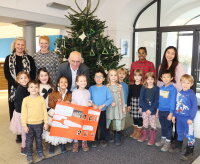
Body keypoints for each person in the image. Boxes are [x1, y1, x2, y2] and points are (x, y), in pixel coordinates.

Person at [4, 37, 36, 143]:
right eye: (18, 44)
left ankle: (27, 129)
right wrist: (18, 85)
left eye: (22, 45)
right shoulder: (9, 58)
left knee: (27, 109)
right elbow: (7, 75)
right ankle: (18, 133)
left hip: (27, 89)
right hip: (14, 89)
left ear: (25, 46)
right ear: (14, 45)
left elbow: (33, 73)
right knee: (15, 109)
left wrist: (26, 85)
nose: (20, 47)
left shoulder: (30, 59)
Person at [157, 46, 185, 141]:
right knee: (168, 120)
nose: (170, 55)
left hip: (176, 95)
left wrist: (171, 90)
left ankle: (177, 139)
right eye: (168, 52)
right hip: (165, 97)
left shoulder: (178, 65)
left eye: (172, 53)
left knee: (176, 118)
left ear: (175, 55)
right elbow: (160, 82)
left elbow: (181, 82)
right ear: (165, 53)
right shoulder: (161, 66)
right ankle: (169, 137)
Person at [169, 74, 197, 161]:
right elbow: (177, 105)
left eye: (188, 83)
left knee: (189, 134)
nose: (185, 84)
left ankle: (190, 149)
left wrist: (191, 118)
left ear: (191, 84)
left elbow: (194, 107)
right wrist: (174, 115)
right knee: (179, 131)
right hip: (179, 118)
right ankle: (179, 144)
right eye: (184, 82)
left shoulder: (191, 94)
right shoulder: (179, 93)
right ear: (181, 82)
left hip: (188, 119)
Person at [43, 76, 72, 154]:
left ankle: (63, 144)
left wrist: (69, 103)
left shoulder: (69, 94)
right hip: (54, 114)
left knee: (62, 129)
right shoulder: (53, 93)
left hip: (64, 115)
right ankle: (52, 145)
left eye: (65, 82)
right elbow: (49, 104)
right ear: (58, 84)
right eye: (61, 82)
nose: (63, 83)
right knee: (52, 129)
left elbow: (72, 106)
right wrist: (56, 102)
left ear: (68, 84)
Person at [21, 80, 48, 163]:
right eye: (31, 87)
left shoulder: (41, 99)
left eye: (36, 87)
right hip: (29, 125)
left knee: (39, 139)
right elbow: (23, 113)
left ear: (39, 89)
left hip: (39, 124)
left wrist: (46, 122)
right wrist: (24, 125)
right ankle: (29, 154)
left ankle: (40, 152)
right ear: (28, 89)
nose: (34, 89)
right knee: (29, 141)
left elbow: (44, 111)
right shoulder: (25, 100)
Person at [89, 69, 113, 148]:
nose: (98, 78)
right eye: (97, 77)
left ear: (103, 79)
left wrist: (103, 105)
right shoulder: (91, 88)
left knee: (102, 126)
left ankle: (103, 139)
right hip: (94, 111)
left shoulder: (106, 88)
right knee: (94, 126)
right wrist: (93, 104)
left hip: (102, 110)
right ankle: (94, 139)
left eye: (100, 77)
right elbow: (89, 99)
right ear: (94, 78)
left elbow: (110, 99)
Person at [155, 70, 177, 152]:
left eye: (168, 77)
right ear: (161, 78)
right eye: (164, 77)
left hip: (168, 112)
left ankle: (168, 142)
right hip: (161, 111)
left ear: (171, 78)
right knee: (163, 126)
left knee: (168, 128)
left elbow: (173, 102)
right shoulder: (161, 88)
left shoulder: (173, 89)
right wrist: (157, 111)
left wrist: (171, 113)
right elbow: (159, 101)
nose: (166, 79)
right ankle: (163, 139)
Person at [10, 71, 30, 155]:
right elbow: (22, 104)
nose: (24, 79)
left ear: (28, 79)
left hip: (23, 113)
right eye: (21, 78)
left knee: (25, 132)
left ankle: (26, 146)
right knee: (24, 132)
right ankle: (24, 147)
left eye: (25, 77)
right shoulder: (21, 89)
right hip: (21, 114)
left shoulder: (25, 88)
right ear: (18, 80)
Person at [71, 74, 91, 152]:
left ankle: (84, 142)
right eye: (81, 81)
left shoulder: (87, 92)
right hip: (77, 112)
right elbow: (73, 100)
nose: (83, 82)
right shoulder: (75, 92)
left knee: (84, 127)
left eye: (84, 81)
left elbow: (89, 100)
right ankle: (75, 142)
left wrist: (90, 103)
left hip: (85, 112)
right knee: (76, 127)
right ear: (77, 83)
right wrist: (73, 102)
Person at [138, 72, 159, 145]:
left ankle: (152, 138)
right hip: (144, 110)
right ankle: (145, 136)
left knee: (153, 123)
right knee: (145, 123)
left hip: (152, 110)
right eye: (148, 79)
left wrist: (151, 109)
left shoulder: (156, 89)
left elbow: (157, 101)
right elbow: (141, 100)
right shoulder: (143, 88)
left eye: (152, 79)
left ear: (154, 80)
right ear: (146, 80)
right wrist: (146, 109)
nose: (150, 81)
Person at [106, 69, 126, 146]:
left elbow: (122, 97)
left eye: (115, 75)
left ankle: (118, 136)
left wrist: (124, 106)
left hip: (118, 107)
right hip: (109, 107)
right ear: (108, 77)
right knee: (108, 120)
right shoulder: (107, 87)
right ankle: (106, 135)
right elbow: (105, 97)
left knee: (118, 120)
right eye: (111, 75)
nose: (113, 77)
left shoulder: (119, 86)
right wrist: (110, 102)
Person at [127, 69, 143, 140]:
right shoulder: (131, 86)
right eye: (135, 75)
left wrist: (141, 106)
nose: (137, 77)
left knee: (140, 118)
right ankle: (135, 131)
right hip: (133, 103)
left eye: (139, 76)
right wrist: (128, 105)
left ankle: (139, 132)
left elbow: (143, 98)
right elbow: (129, 96)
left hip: (140, 104)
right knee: (134, 118)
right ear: (133, 77)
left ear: (141, 77)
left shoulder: (143, 86)